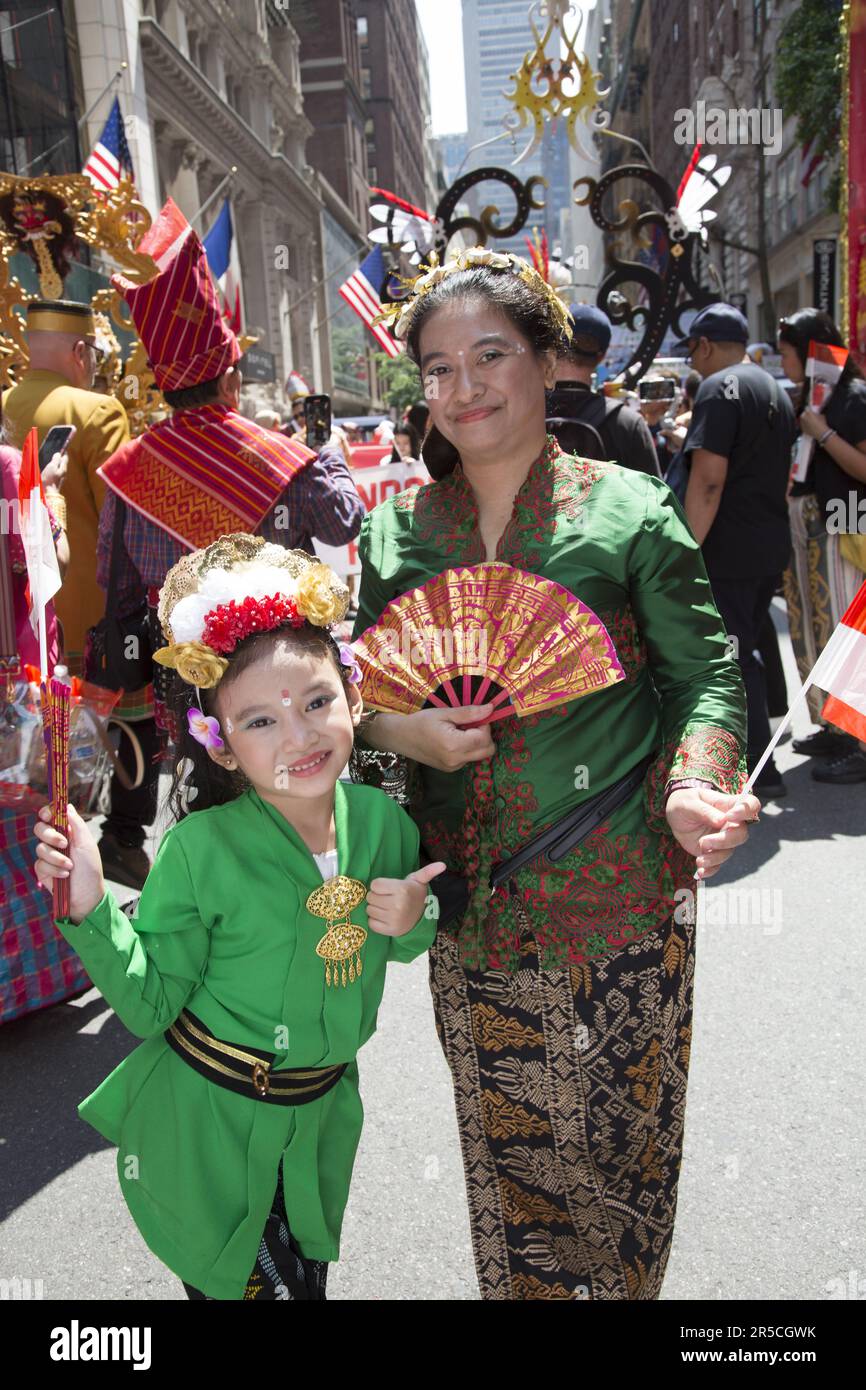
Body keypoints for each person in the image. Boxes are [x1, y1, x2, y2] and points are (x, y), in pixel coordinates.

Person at [351, 246, 759, 1302]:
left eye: (490, 354)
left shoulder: (625, 509)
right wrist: (408, 737)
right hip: (475, 923)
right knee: (517, 1183)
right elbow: (354, 707)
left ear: (544, 360)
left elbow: (705, 676)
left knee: (621, 1172)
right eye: (437, 368)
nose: (464, 386)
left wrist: (690, 786)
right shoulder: (396, 535)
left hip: (617, 904)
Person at [33, 538, 443, 1299]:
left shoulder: (384, 823)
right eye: (260, 722)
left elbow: (406, 936)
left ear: (354, 697)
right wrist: (90, 906)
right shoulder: (198, 852)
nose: (299, 737)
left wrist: (414, 913)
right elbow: (151, 1002)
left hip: (318, 1128)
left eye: (317, 702)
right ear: (219, 746)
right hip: (211, 1125)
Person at [93, 216, 365, 889]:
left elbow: (114, 580)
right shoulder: (281, 455)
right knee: (295, 798)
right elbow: (344, 522)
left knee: (213, 797)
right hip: (287, 673)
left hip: (189, 679)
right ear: (230, 378)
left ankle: (224, 922)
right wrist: (324, 451)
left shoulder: (133, 469)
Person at [675, 302, 797, 800]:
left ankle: (756, 768)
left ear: (704, 346)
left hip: (728, 550)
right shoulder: (773, 389)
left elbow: (707, 482)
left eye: (693, 351)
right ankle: (760, 758)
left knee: (731, 655)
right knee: (747, 645)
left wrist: (683, 552)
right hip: (767, 543)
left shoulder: (717, 389)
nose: (692, 362)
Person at [0, 438, 88, 1023]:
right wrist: (50, 491)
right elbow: (44, 561)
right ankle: (34, 975)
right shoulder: (10, 465)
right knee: (33, 821)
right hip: (14, 679)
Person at [1, 301, 130, 679]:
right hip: (88, 631)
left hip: (14, 628)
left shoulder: (5, 406)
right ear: (80, 352)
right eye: (94, 355)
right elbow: (119, 526)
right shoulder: (100, 411)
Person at [778, 308, 866, 783]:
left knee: (846, 633)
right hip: (810, 524)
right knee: (815, 629)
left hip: (846, 524)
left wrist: (824, 434)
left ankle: (862, 739)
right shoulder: (810, 398)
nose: (783, 361)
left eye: (788, 353)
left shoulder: (852, 397)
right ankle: (836, 725)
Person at [545, 304, 661, 475]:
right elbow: (655, 498)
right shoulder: (628, 424)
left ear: (553, 348)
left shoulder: (522, 415)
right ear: (602, 356)